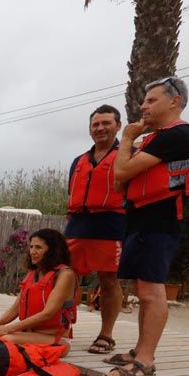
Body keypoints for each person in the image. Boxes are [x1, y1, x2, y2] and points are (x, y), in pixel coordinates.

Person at [107, 75, 189, 376]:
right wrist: (130, 149)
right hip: (141, 217)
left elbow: (122, 169)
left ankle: (147, 361)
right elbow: (119, 180)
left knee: (152, 292)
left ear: (174, 101)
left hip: (161, 219)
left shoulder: (180, 135)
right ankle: (139, 350)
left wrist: (126, 140)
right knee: (143, 289)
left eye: (151, 100)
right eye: (144, 101)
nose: (143, 106)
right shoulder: (155, 139)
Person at [65, 105, 126, 355]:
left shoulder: (128, 155)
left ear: (118, 126)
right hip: (78, 224)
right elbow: (71, 193)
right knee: (66, 277)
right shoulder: (78, 161)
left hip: (111, 224)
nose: (100, 128)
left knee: (108, 280)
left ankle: (106, 334)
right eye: (95, 124)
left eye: (106, 123)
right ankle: (60, 327)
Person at [0, 228, 77, 352]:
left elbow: (48, 313)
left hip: (54, 338)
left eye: (39, 248)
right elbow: (15, 309)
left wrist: (8, 328)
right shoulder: (32, 274)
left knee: (2, 342)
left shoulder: (65, 274)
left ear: (53, 250)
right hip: (28, 334)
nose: (33, 252)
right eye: (31, 247)